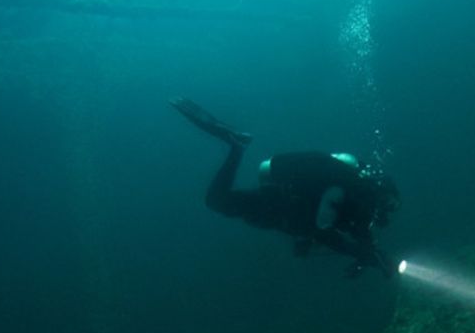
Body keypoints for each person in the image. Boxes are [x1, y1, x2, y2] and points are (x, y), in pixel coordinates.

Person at [170, 98, 400, 277]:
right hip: (279, 204)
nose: (382, 217)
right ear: (378, 195)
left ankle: (236, 147)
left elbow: (350, 235)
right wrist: (362, 254)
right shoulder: (353, 198)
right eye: (384, 208)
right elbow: (321, 227)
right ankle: (236, 146)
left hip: (280, 204)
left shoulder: (356, 203)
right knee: (217, 201)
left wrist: (367, 258)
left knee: (221, 203)